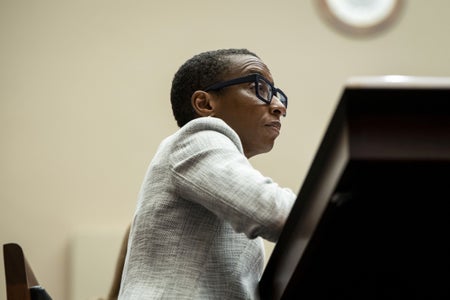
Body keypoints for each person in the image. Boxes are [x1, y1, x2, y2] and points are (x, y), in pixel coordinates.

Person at [119, 48, 296, 299]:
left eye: (276, 94)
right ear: (205, 104)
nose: (278, 106)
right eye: (259, 87)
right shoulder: (199, 137)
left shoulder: (215, 167)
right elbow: (277, 213)